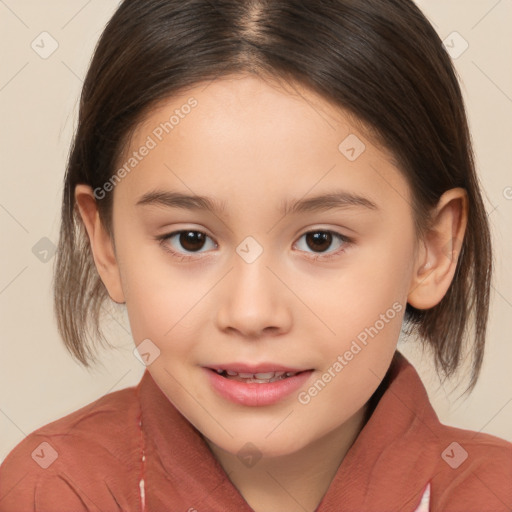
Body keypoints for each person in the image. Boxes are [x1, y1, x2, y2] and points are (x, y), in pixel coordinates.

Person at [1, 0, 511, 511]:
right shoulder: (53, 490)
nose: (250, 313)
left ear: (433, 249)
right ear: (106, 244)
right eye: (191, 240)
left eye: (320, 240)